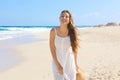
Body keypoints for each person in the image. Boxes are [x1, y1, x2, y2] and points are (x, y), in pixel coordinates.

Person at [49, 10, 84, 80]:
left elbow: (75, 49)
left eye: (66, 16)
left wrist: (76, 64)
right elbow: (52, 48)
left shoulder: (73, 32)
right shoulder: (53, 31)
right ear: (59, 18)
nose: (64, 18)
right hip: (57, 62)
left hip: (69, 63)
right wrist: (58, 65)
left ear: (69, 19)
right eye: (62, 16)